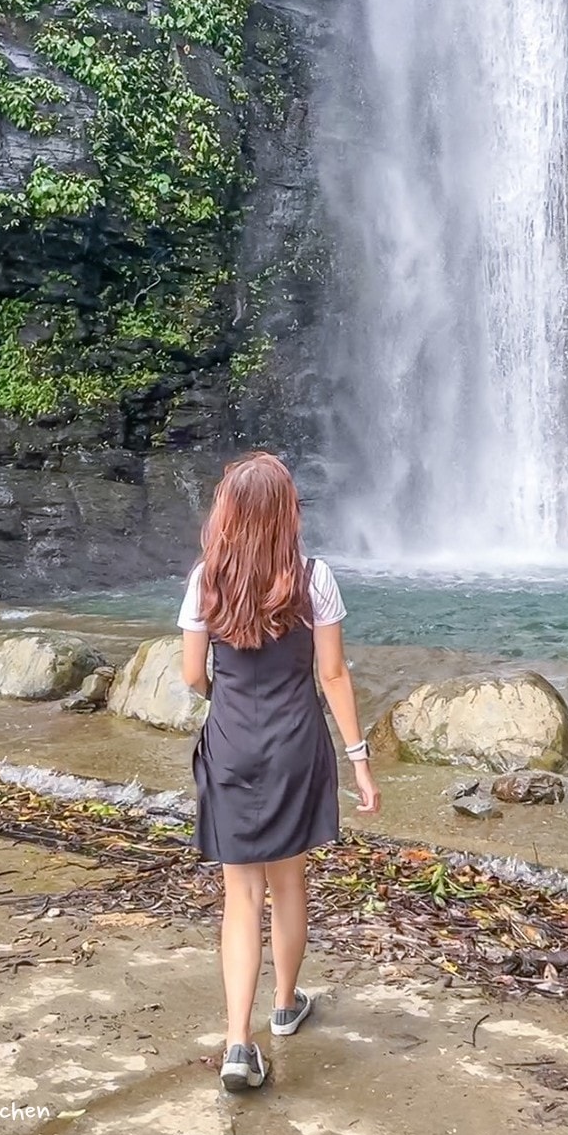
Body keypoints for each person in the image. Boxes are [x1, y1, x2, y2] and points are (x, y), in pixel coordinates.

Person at [179, 451, 380, 1093]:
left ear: (230, 512)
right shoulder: (314, 579)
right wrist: (359, 760)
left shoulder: (205, 579)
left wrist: (229, 698)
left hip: (232, 743)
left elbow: (191, 677)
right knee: (288, 884)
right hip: (296, 744)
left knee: (241, 896)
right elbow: (333, 675)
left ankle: (238, 1045)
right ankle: (286, 1006)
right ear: (287, 512)